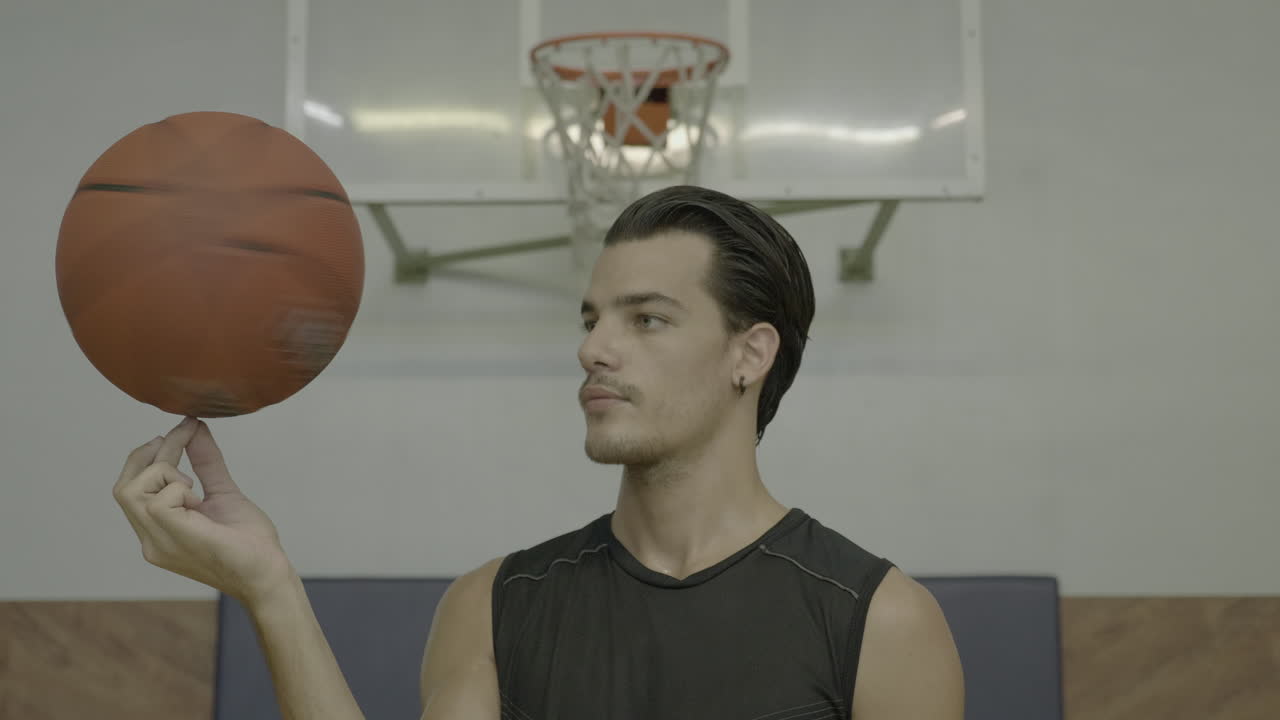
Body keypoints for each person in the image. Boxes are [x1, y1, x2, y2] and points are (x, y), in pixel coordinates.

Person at [113, 185, 964, 719]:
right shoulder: (495, 606)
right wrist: (270, 588)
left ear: (751, 354)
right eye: (591, 319)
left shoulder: (878, 620)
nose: (596, 348)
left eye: (648, 319)